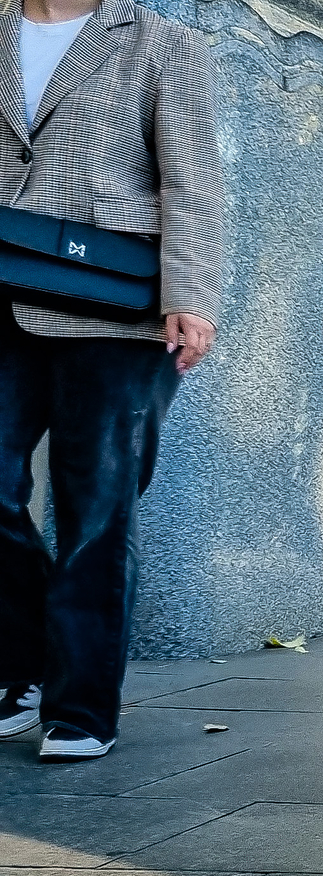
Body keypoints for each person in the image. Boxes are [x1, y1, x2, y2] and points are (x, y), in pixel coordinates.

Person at [0, 0, 222, 762]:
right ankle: (22, 663)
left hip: (118, 307)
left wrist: (191, 294)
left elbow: (192, 181)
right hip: (3, 295)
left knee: (95, 505)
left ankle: (81, 702)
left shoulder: (164, 44)